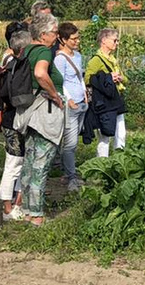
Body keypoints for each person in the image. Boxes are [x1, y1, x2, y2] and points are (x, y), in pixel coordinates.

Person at [13, 13, 65, 227]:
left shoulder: (26, 50)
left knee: (30, 162)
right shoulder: (43, 51)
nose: (57, 36)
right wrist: (55, 95)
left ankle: (26, 210)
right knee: (41, 165)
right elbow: (41, 73)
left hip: (28, 113)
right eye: (55, 32)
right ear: (43, 34)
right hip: (44, 112)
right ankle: (37, 215)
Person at [0, 24, 30, 221]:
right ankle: (8, 208)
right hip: (14, 120)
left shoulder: (12, 66)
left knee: (21, 162)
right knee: (13, 163)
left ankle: (18, 202)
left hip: (13, 118)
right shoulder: (14, 67)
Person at [84, 28, 128, 157]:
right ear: (104, 41)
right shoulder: (96, 60)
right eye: (114, 40)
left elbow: (126, 79)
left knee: (121, 133)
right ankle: (102, 163)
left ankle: (119, 159)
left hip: (116, 100)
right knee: (105, 133)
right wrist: (108, 77)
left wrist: (119, 78)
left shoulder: (113, 59)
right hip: (104, 102)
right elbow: (88, 79)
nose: (117, 43)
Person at [53, 22, 87, 192]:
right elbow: (60, 82)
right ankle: (71, 176)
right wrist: (69, 99)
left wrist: (85, 96)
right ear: (63, 39)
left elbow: (79, 77)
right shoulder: (59, 59)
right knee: (70, 143)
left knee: (74, 141)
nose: (77, 41)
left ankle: (68, 173)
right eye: (73, 39)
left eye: (77, 38)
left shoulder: (78, 56)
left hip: (81, 102)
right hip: (71, 104)